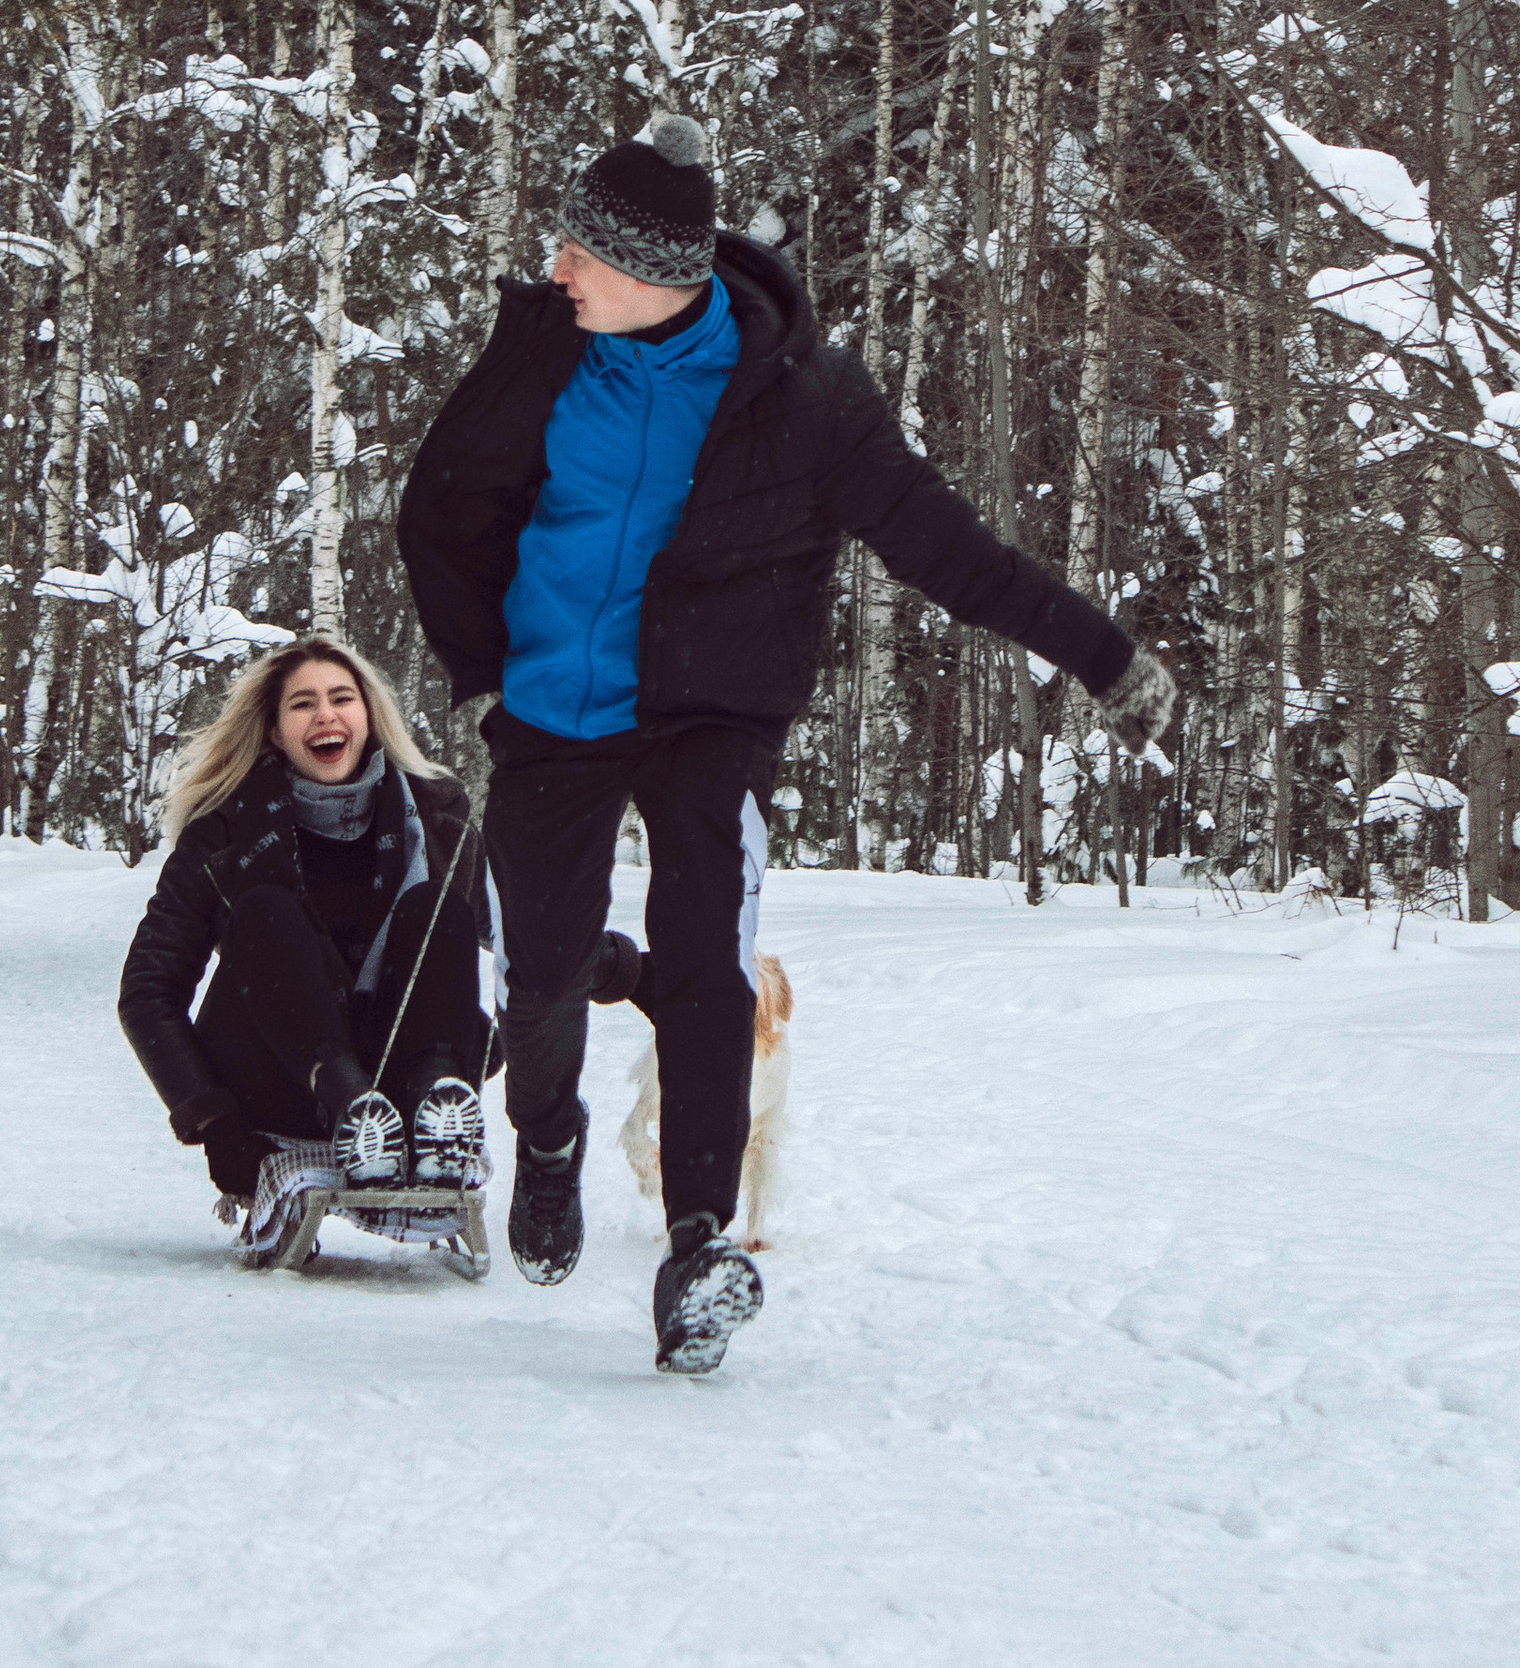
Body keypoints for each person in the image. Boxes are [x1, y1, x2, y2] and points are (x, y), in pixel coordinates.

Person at [398, 113, 1177, 1372]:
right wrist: (485, 678)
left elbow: (944, 546)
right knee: (539, 964)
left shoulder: (806, 398)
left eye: (579, 252)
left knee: (708, 957)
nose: (554, 269)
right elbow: (439, 512)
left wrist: (1101, 654)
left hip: (715, 710)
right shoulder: (544, 353)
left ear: (656, 271)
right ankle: (547, 1140)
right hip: (553, 705)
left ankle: (699, 1245)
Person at [117, 638, 493, 1233]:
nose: (325, 714)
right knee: (266, 909)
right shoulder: (225, 831)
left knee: (436, 909)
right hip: (279, 1081)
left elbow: (519, 959)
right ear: (273, 732)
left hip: (403, 1083)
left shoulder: (439, 818)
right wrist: (216, 1125)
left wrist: (487, 1044)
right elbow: (147, 991)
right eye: (302, 704)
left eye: (342, 698)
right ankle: (345, 1102)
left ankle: (434, 1108)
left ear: (368, 716)